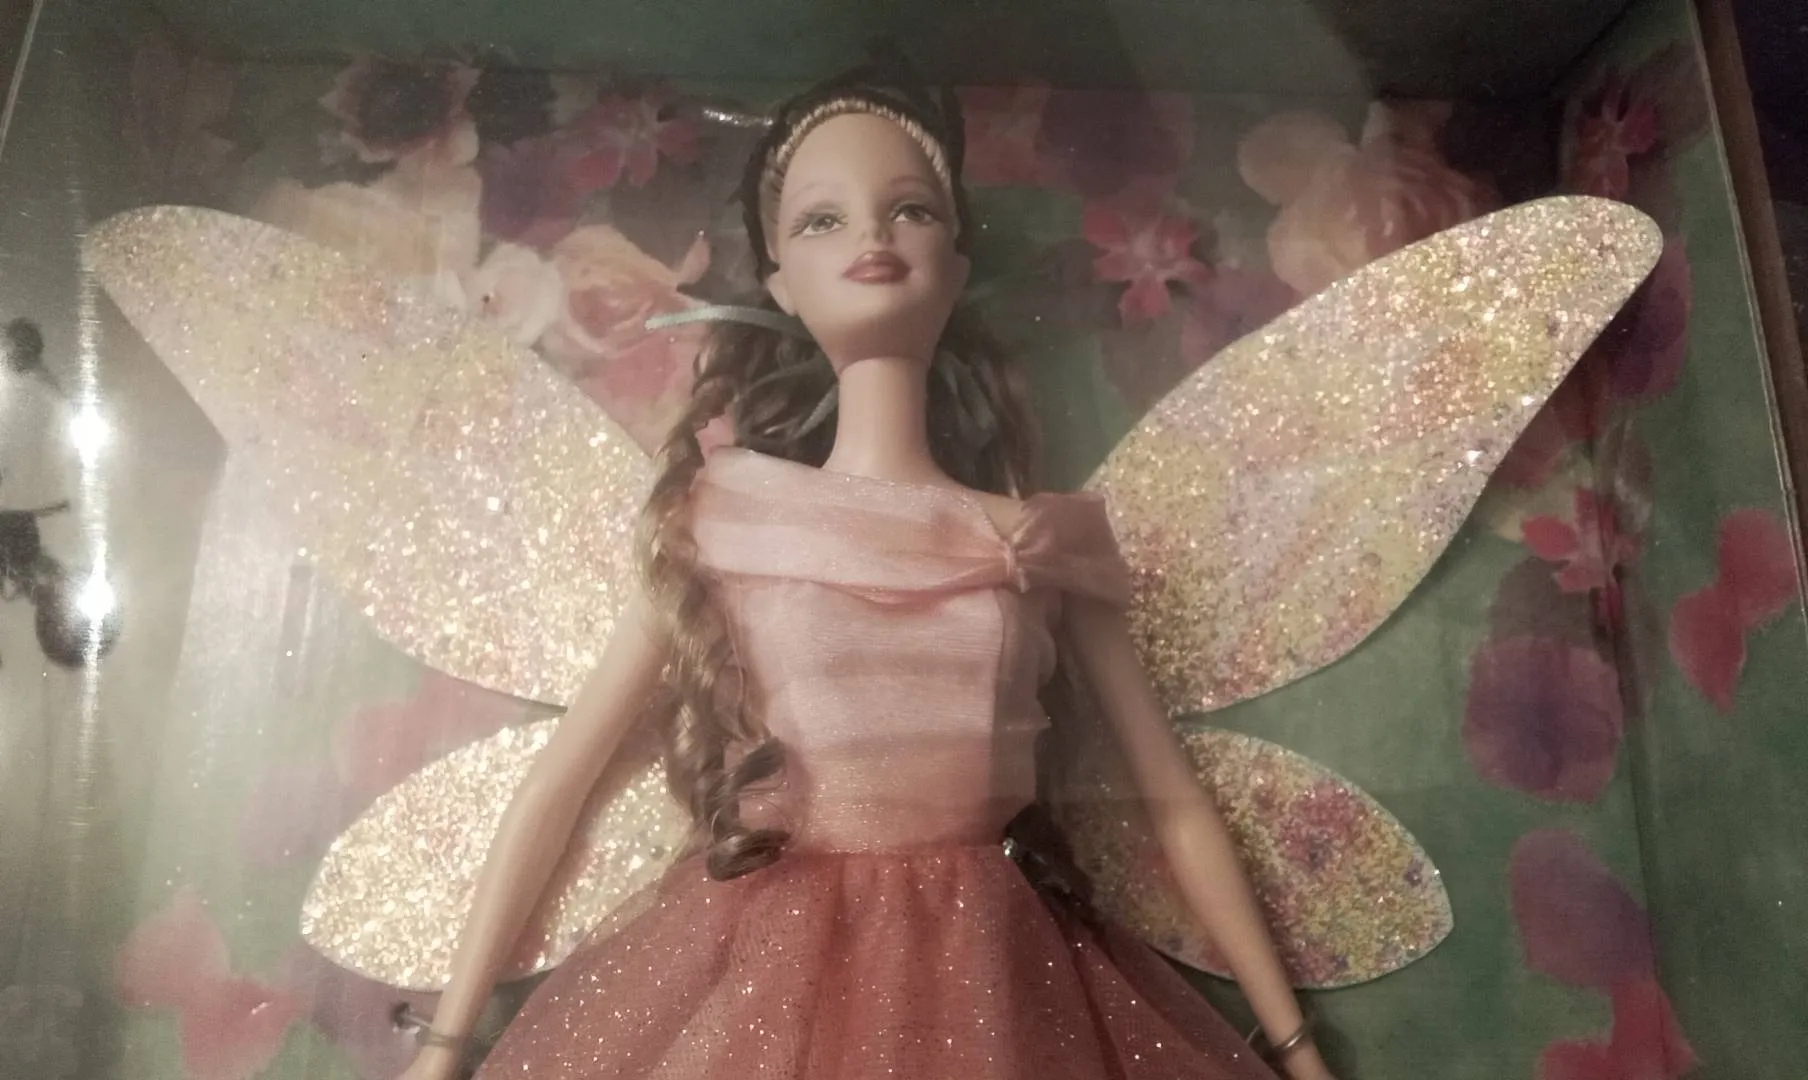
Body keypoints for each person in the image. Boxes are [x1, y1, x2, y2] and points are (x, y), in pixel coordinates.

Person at [396, 59, 1334, 1080]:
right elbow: (560, 781)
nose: (872, 239)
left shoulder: (1038, 541)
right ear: (778, 287)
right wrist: (445, 1044)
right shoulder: (728, 518)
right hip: (768, 976)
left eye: (910, 210)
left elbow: (1173, 801)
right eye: (821, 221)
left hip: (996, 981)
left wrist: (1293, 1046)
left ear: (956, 267)